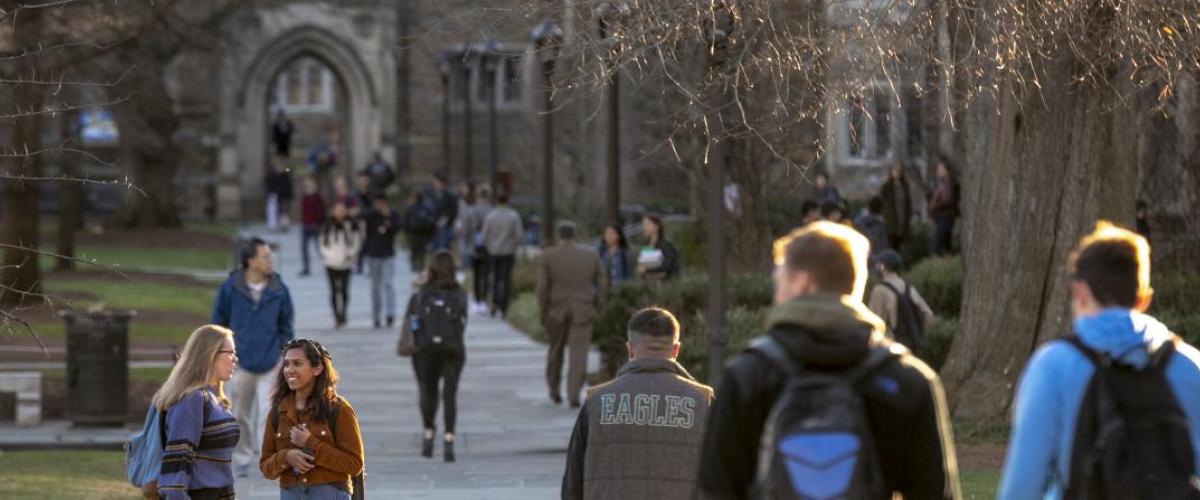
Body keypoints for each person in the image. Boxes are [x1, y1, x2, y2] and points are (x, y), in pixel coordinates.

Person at [697, 221, 961, 499]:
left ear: (802, 282)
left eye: (780, 281)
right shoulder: (906, 380)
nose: (777, 294)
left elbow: (714, 491)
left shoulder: (748, 376)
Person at [998, 221, 1200, 499]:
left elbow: (1022, 487)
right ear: (1143, 298)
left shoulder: (1052, 366)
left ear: (1079, 292)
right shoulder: (1188, 365)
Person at [562, 307, 714, 500]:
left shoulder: (597, 401)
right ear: (676, 350)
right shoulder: (702, 401)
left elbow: (573, 481)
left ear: (630, 349)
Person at [211, 238, 295, 477]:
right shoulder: (230, 288)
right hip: (239, 362)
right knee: (239, 412)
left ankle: (270, 456)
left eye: (270, 256)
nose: (270, 261)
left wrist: (283, 350)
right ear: (250, 261)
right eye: (265, 256)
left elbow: (286, 324)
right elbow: (218, 322)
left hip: (271, 360)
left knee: (271, 411)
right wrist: (223, 354)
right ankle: (243, 457)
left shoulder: (280, 289)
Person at [260, 339, 364, 500]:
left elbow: (355, 464)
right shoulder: (278, 412)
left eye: (297, 364)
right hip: (290, 493)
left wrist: (311, 443)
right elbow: (266, 467)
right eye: (286, 364)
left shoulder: (339, 409)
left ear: (317, 369)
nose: (290, 370)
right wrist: (286, 457)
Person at [153, 325, 240, 499]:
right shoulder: (192, 399)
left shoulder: (212, 396)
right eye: (229, 353)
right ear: (209, 354)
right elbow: (177, 464)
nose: (235, 359)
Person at [401, 251, 469, 462]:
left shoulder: (421, 295)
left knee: (427, 391)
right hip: (453, 349)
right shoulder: (460, 294)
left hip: (425, 351)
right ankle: (449, 439)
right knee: (450, 394)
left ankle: (429, 433)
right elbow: (462, 323)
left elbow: (411, 322)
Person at [538, 223, 608, 407]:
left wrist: (544, 310)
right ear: (575, 236)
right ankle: (574, 394)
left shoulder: (548, 256)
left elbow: (542, 288)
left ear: (559, 236)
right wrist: (597, 304)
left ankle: (554, 389)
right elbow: (602, 281)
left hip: (556, 310)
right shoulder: (591, 255)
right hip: (583, 309)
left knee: (555, 351)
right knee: (579, 353)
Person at [867, 249, 934, 353]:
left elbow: (873, 323)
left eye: (878, 264)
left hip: (889, 351)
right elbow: (929, 315)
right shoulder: (909, 288)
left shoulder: (879, 290)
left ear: (883, 267)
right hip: (912, 349)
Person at [318, 201, 363, 328]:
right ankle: (336, 315)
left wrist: (350, 254)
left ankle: (343, 312)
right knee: (333, 290)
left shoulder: (351, 225)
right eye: (337, 210)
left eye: (342, 210)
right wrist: (328, 256)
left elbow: (356, 241)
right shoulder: (327, 226)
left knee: (344, 290)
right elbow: (321, 243)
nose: (339, 213)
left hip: (345, 262)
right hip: (331, 262)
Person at [481, 193, 524, 317]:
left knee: (493, 277)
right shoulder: (513, 216)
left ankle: (494, 302)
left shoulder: (491, 216)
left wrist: (489, 245)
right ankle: (504, 306)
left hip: (493, 251)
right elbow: (519, 235)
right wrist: (514, 245)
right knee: (505, 278)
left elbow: (485, 234)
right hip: (508, 250)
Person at [363, 194, 402, 329]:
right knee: (375, 286)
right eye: (376, 203)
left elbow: (396, 229)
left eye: (380, 203)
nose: (378, 206)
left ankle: (390, 314)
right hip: (373, 255)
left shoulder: (393, 215)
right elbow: (366, 234)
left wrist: (387, 217)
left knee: (388, 284)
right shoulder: (370, 216)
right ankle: (376, 315)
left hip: (388, 254)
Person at [461, 186, 495, 314]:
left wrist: (467, 242)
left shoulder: (471, 210)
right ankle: (484, 300)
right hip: (489, 246)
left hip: (473, 245)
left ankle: (476, 300)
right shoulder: (492, 210)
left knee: (476, 274)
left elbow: (466, 229)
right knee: (486, 274)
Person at [928, 159, 960, 256]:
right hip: (942, 218)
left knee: (937, 247)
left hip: (946, 217)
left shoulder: (948, 182)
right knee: (945, 246)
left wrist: (934, 207)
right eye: (938, 169)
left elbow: (947, 200)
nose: (939, 171)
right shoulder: (943, 183)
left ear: (947, 170)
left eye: (941, 169)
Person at [635, 214, 680, 281]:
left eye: (648, 224)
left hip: (665, 284)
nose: (644, 227)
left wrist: (647, 269)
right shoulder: (646, 245)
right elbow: (643, 263)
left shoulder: (666, 245)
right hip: (648, 283)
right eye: (643, 225)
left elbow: (667, 264)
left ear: (657, 225)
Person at [880, 163, 913, 250]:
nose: (897, 173)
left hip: (902, 215)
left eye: (899, 171)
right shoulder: (887, 186)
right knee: (891, 240)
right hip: (891, 217)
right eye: (895, 170)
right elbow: (883, 200)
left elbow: (908, 202)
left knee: (899, 240)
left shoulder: (905, 186)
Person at [404, 191, 438, 272]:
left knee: (421, 251)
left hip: (423, 233)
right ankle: (414, 264)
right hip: (414, 232)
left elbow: (432, 219)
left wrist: (430, 231)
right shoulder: (411, 207)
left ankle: (421, 265)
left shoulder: (427, 207)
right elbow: (406, 220)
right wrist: (407, 231)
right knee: (414, 250)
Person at [299, 177, 326, 277]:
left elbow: (322, 212)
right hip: (305, 225)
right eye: (307, 185)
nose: (309, 187)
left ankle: (328, 265)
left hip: (315, 226)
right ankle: (306, 268)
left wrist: (319, 224)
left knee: (320, 248)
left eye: (311, 184)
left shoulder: (318, 197)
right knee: (304, 248)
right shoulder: (304, 197)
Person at [597, 223, 632, 292]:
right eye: (606, 234)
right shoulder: (600, 253)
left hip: (619, 293)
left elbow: (629, 276)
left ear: (619, 236)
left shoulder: (624, 254)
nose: (609, 236)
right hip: (604, 292)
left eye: (612, 233)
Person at [428, 174, 459, 251]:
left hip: (446, 227)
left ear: (441, 182)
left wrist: (446, 218)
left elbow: (453, 210)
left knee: (443, 249)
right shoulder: (432, 194)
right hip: (434, 227)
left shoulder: (450, 195)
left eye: (436, 182)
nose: (434, 184)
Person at [265, 158, 292, 232]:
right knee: (274, 210)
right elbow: (270, 183)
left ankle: (284, 226)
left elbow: (289, 171)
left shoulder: (286, 172)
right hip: (276, 194)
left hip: (284, 195)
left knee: (284, 211)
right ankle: (275, 225)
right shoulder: (271, 174)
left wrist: (285, 170)